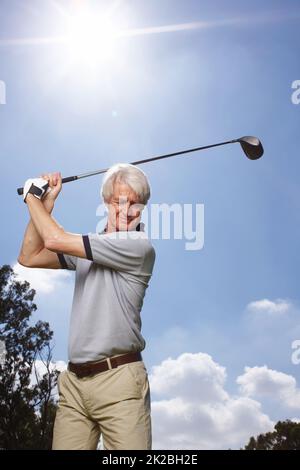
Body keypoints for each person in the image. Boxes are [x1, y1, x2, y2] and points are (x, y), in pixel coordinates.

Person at [18, 163, 156, 450]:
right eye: (118, 201)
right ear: (106, 203)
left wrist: (32, 198)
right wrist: (47, 204)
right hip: (75, 387)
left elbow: (55, 239)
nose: (125, 210)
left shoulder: (138, 246)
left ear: (141, 210)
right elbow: (29, 256)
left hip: (120, 383)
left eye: (134, 204)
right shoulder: (87, 249)